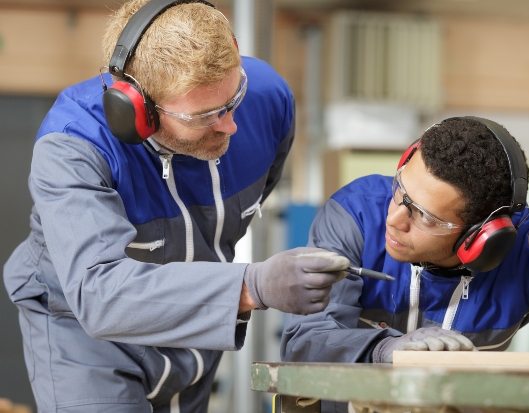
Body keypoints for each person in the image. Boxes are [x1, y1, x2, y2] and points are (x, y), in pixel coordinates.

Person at [3, 0, 350, 412]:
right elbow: (99, 293)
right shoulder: (73, 147)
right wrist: (249, 285)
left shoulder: (268, 99)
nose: (231, 126)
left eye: (233, 98)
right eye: (204, 116)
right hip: (83, 333)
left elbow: (250, 201)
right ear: (139, 112)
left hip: (194, 327)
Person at [281, 116, 529, 412]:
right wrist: (384, 350)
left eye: (425, 216)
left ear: (482, 238)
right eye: (400, 187)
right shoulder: (355, 216)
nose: (394, 218)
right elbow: (304, 342)